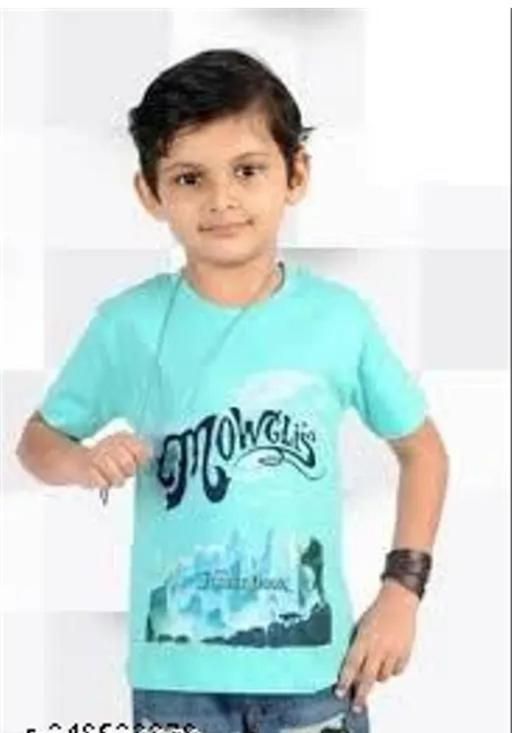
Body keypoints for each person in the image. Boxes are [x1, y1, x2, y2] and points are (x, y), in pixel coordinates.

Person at [16, 48, 449, 733]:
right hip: (175, 684)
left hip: (316, 676)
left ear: (296, 174)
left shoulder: (339, 320)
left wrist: (403, 591)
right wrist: (80, 460)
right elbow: (37, 441)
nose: (221, 199)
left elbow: (423, 451)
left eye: (247, 170)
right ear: (150, 193)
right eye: (190, 178)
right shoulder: (127, 324)